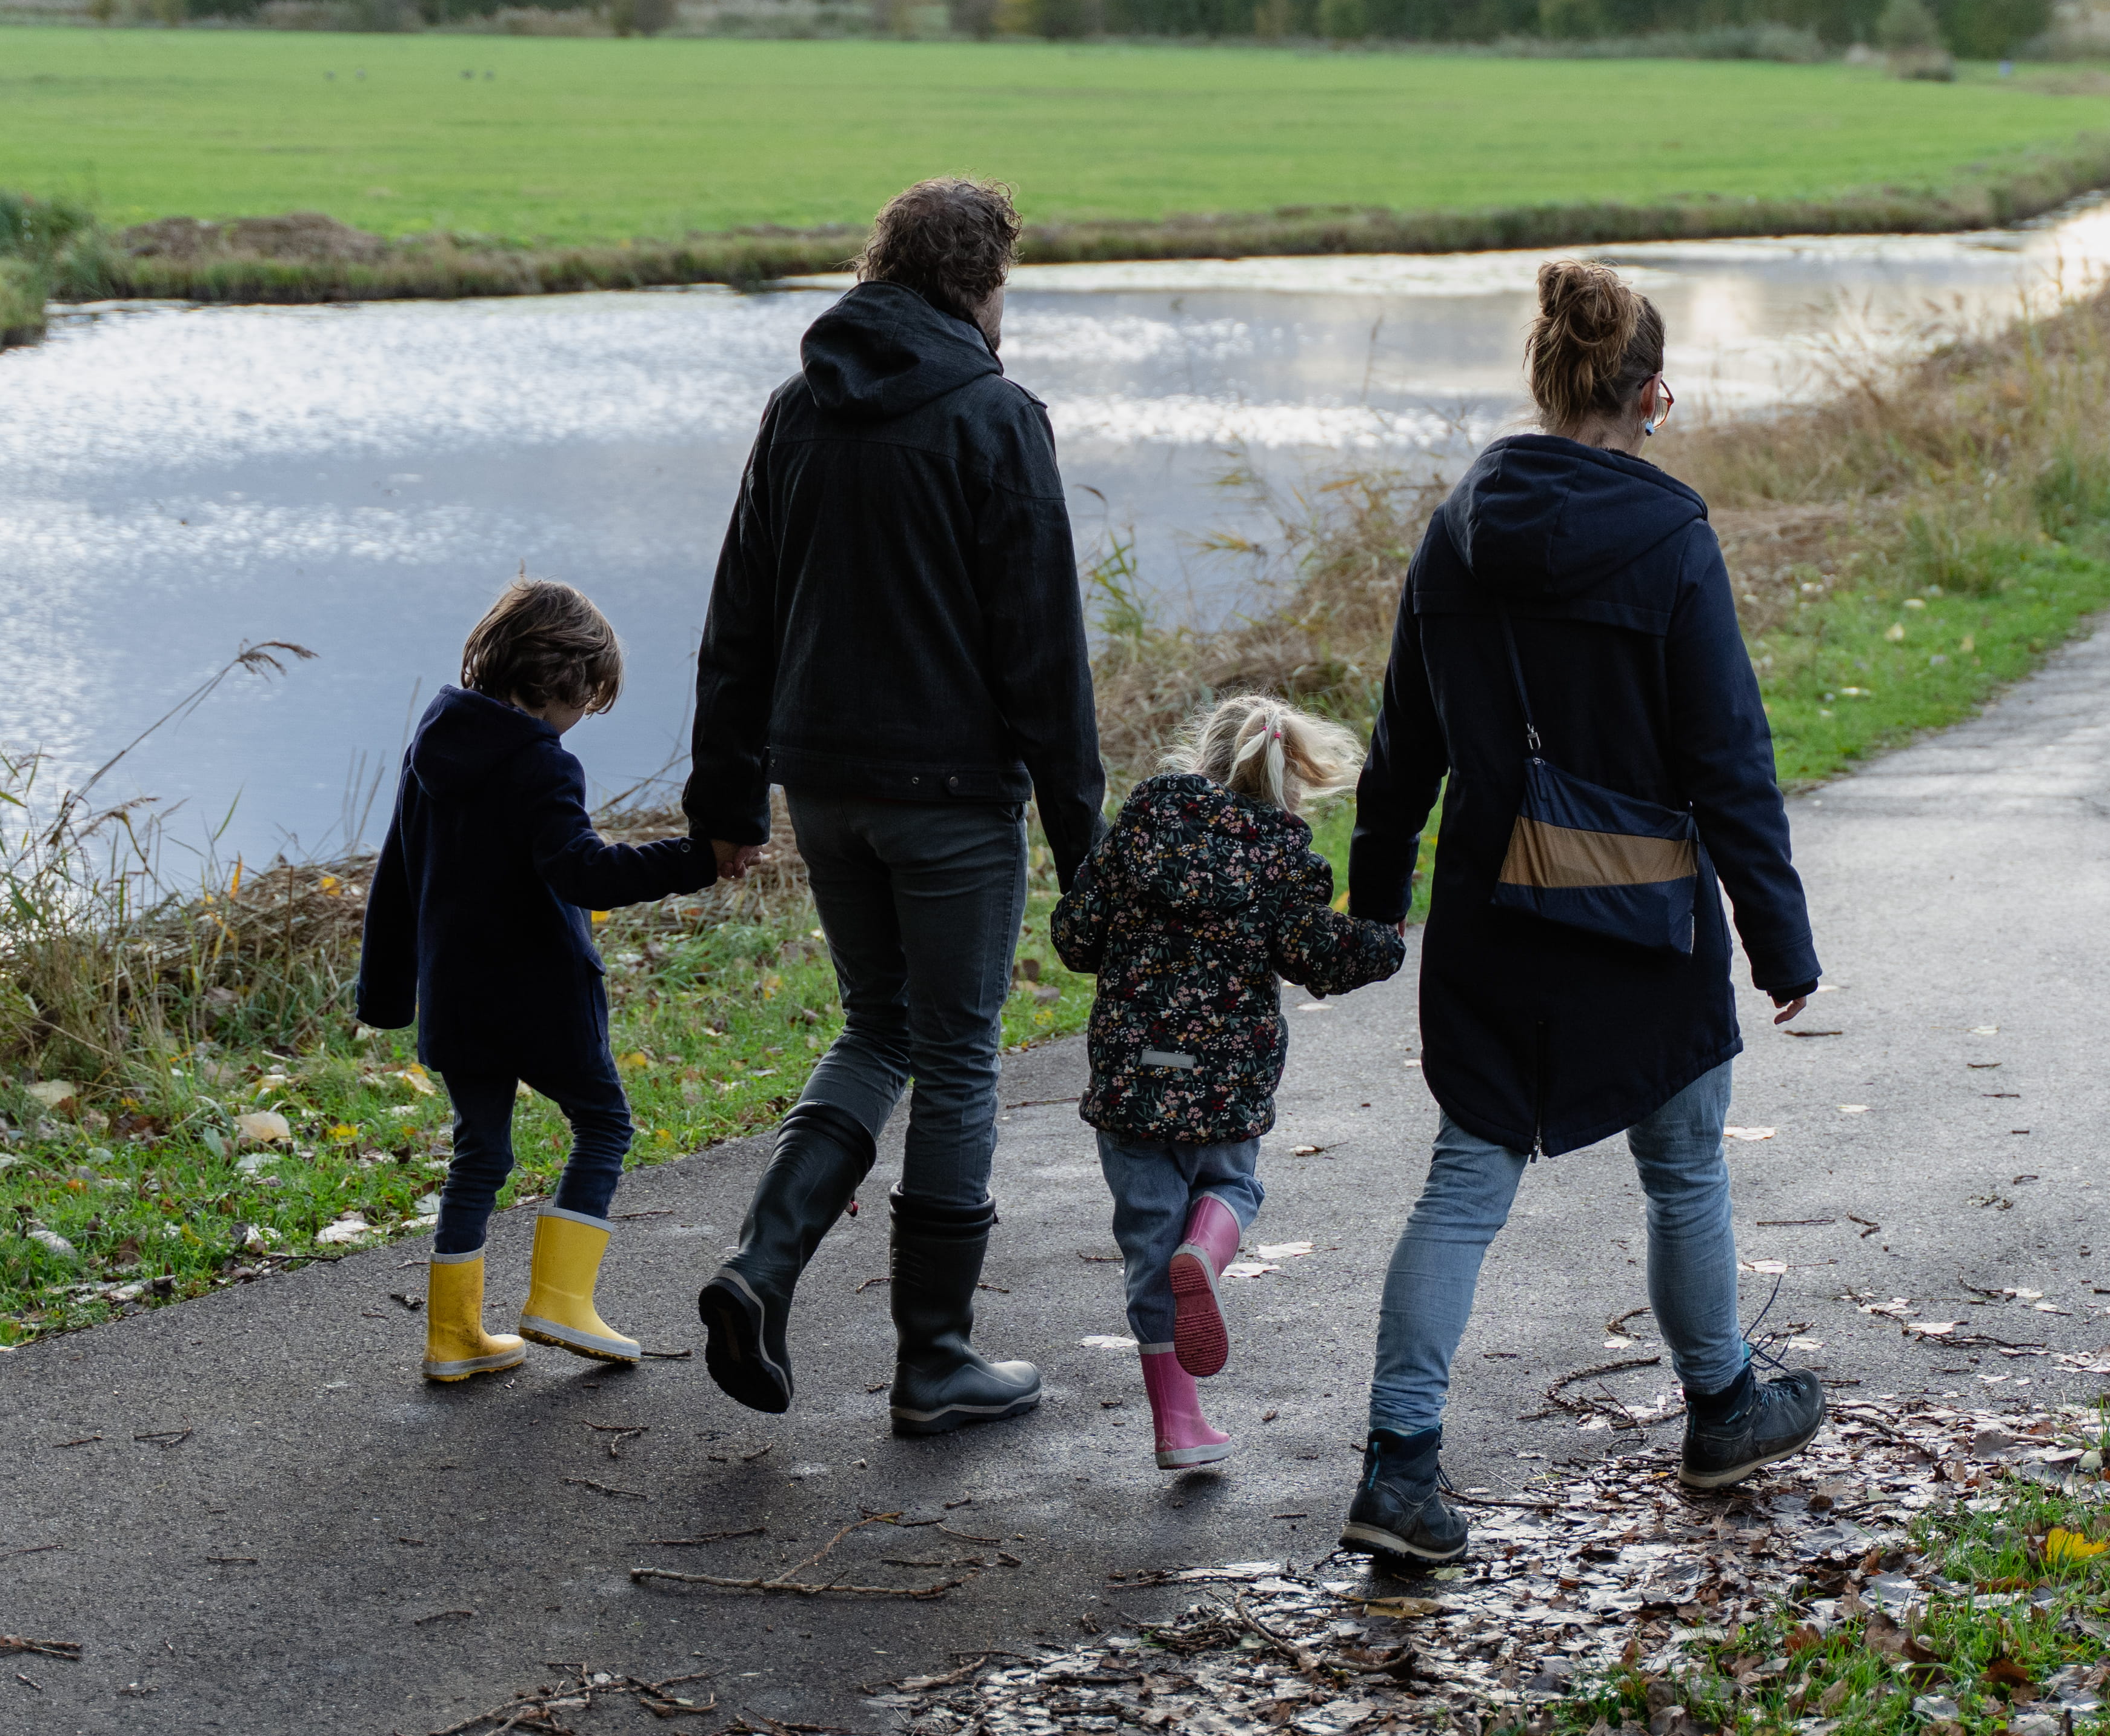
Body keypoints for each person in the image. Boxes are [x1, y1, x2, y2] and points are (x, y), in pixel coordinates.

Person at [1340, 260, 1828, 1563]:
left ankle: (1398, 1466)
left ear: (1544, 379)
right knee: (1681, 1166)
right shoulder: (1670, 536)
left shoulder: (1453, 529)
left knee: (1463, 1177)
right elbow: (1727, 755)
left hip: (1490, 917)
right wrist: (1776, 939)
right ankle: (1721, 1403)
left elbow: (1401, 747)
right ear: (1649, 393)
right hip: (1641, 919)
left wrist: (1378, 901)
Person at [684, 178, 1109, 1437]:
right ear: (979, 285)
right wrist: (1087, 846)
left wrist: (728, 794)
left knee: (879, 1025)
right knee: (958, 1052)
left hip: (823, 785)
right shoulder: (994, 415)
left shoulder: (796, 408)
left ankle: (758, 1269)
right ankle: (933, 1358)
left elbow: (737, 617)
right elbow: (1044, 654)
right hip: (949, 798)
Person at [356, 577, 721, 1385]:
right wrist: (696, 856)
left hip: (458, 1000)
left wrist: (385, 995)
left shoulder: (433, 742)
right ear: (557, 682)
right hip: (541, 999)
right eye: (588, 695)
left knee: (479, 1154)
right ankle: (560, 1298)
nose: (586, 712)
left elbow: (397, 877)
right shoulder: (541, 766)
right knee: (604, 1124)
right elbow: (583, 871)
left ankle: (452, 1336)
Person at [1050, 695, 1408, 1472]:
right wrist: (1384, 943)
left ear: (1198, 758)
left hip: (1133, 1076)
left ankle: (1179, 1429)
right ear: (1288, 781)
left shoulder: (1141, 829)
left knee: (1148, 1241)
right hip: (1224, 1084)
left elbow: (1075, 938)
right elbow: (1321, 957)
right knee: (1234, 1191)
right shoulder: (1280, 857)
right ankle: (1207, 1256)